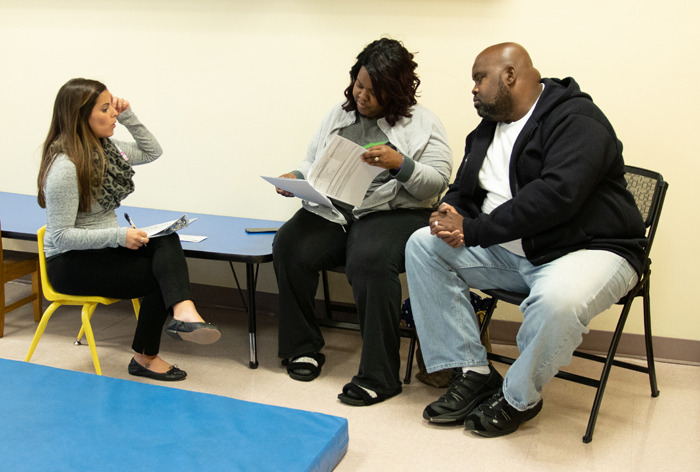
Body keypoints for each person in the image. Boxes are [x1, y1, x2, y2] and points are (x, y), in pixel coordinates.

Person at [405, 43, 646, 436]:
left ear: (510, 75)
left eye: (479, 78)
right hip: (518, 254)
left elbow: (556, 196)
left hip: (592, 250)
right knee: (421, 244)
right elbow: (464, 190)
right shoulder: (486, 131)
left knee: (559, 299)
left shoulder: (577, 118)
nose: (474, 89)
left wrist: (475, 229)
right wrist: (447, 212)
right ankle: (474, 371)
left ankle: (518, 398)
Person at [272, 38, 453, 406]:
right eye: (359, 85)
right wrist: (297, 176)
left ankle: (380, 376)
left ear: (397, 91)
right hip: (335, 209)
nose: (362, 97)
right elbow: (314, 162)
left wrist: (399, 164)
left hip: (394, 211)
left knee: (369, 259)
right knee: (290, 244)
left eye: (374, 91)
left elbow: (437, 181)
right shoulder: (338, 115)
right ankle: (303, 347)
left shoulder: (424, 123)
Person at [37, 78, 221, 382]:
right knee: (159, 277)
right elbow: (60, 236)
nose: (113, 114)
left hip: (102, 250)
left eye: (113, 107)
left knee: (167, 239)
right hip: (69, 262)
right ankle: (146, 357)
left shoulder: (105, 149)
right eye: (106, 109)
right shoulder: (65, 167)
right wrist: (120, 236)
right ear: (81, 116)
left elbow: (152, 151)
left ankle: (185, 312)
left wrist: (129, 116)